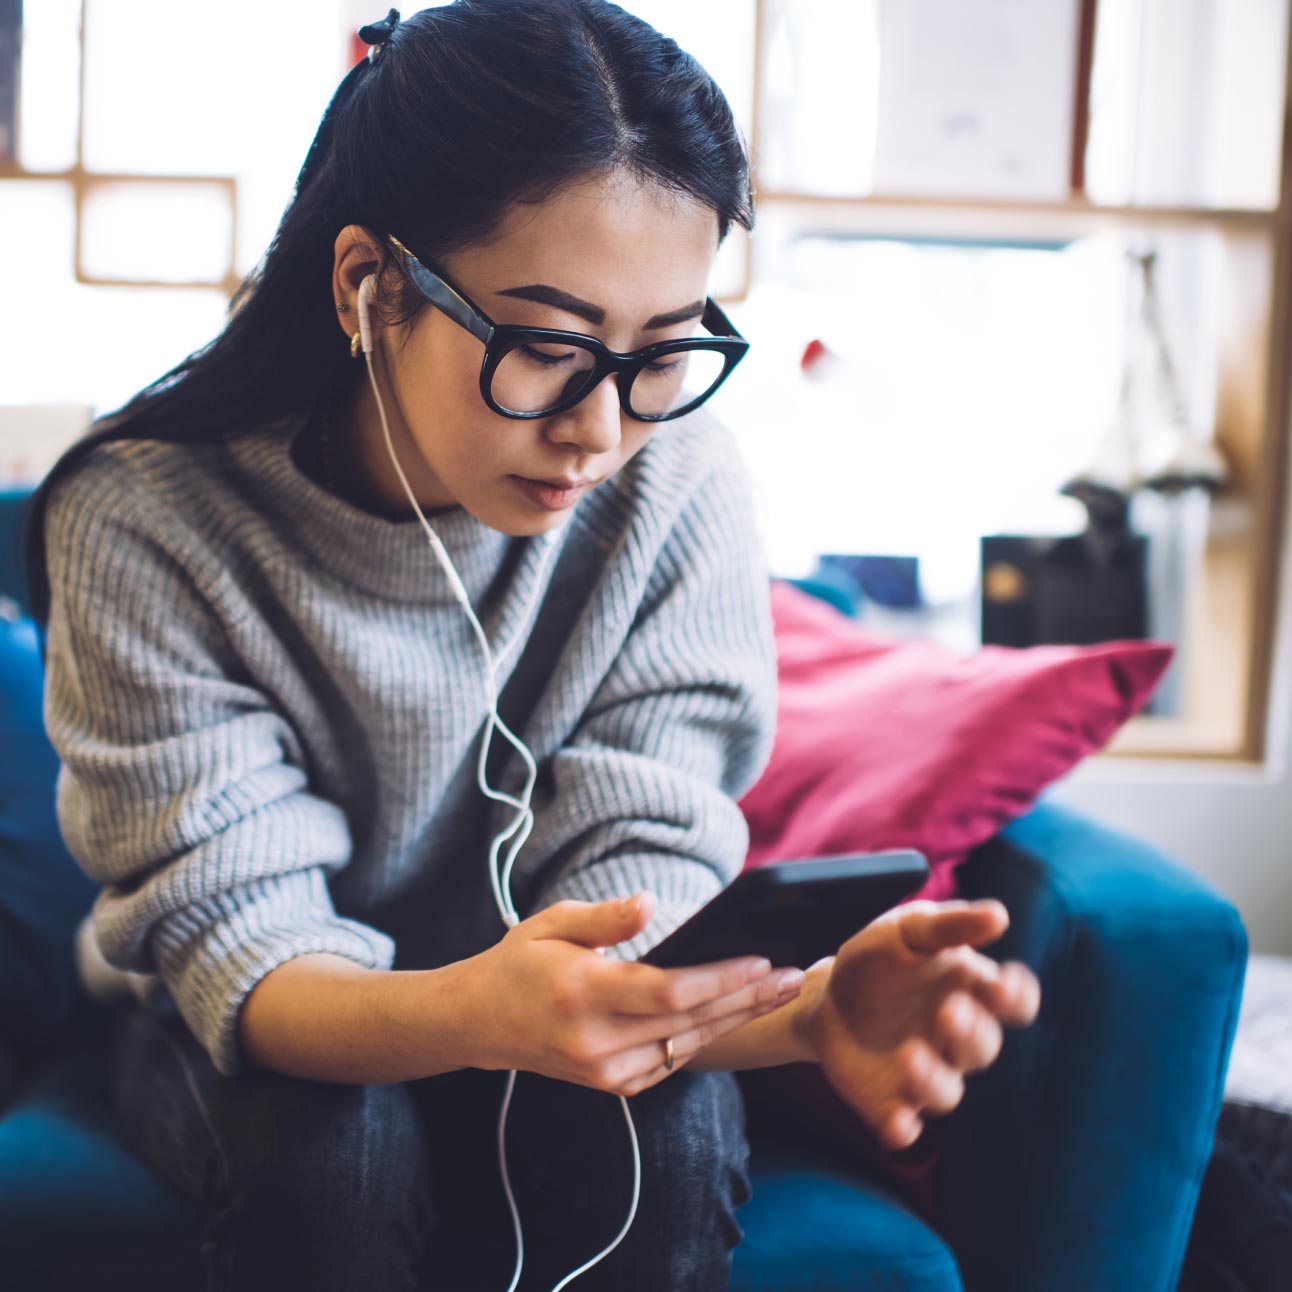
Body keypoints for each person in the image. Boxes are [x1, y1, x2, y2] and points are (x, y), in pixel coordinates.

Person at [24, 3, 1041, 1289]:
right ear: (368, 287)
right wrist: (465, 1010)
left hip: (546, 990)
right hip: (254, 1007)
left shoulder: (678, 487)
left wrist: (802, 1015)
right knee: (339, 1147)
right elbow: (243, 937)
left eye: (661, 350)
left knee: (661, 1135)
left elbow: (639, 891)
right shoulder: (149, 515)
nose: (601, 427)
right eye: (549, 347)